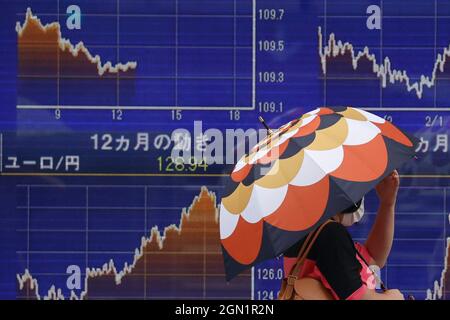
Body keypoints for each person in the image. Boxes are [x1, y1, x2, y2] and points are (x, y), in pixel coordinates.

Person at [283, 170, 404, 300]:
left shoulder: (312, 233)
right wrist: (393, 297)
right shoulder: (331, 235)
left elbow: (373, 260)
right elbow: (359, 298)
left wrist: (387, 203)